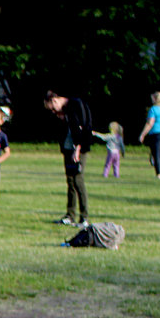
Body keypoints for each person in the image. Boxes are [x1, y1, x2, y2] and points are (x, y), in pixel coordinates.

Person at [43, 90, 92, 227]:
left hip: (78, 149)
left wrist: (78, 148)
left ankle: (84, 217)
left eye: (53, 108)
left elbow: (82, 127)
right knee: (70, 181)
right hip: (68, 148)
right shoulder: (64, 111)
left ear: (55, 100)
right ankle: (70, 215)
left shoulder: (76, 105)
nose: (53, 111)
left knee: (78, 180)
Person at [137, 91, 160, 180]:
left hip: (156, 134)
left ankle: (158, 174)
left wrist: (142, 134)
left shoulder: (153, 109)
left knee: (156, 154)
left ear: (155, 99)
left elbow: (150, 123)